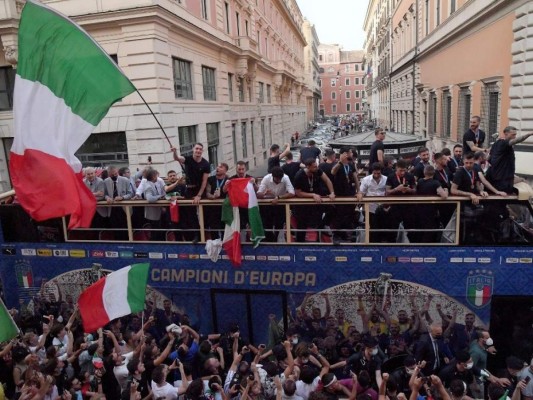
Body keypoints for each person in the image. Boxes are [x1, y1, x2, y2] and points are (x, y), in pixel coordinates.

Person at [172, 143, 211, 242]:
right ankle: (194, 235)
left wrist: (199, 195)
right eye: (197, 148)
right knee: (190, 215)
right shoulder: (187, 159)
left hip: (199, 190)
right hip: (188, 190)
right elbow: (177, 158)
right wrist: (175, 152)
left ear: (202, 151)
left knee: (202, 214)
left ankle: (202, 235)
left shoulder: (206, 164)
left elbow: (204, 181)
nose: (198, 150)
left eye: (200, 149)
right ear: (193, 149)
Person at [293, 158, 335, 242]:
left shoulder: (317, 170)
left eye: (316, 166)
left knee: (331, 209)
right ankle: (299, 245)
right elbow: (298, 193)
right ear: (308, 167)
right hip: (303, 206)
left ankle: (319, 239)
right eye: (314, 167)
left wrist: (332, 192)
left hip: (317, 202)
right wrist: (312, 195)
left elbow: (327, 180)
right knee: (302, 226)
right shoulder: (299, 175)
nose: (316, 168)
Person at [488, 126, 533, 193]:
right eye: (513, 135)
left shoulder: (497, 144)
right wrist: (529, 134)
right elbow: (516, 140)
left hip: (500, 178)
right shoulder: (503, 143)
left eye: (515, 135)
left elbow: (489, 158)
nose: (514, 137)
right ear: (506, 134)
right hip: (501, 181)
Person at [257, 167, 295, 242]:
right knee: (267, 224)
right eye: (277, 179)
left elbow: (292, 193)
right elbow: (258, 193)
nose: (279, 181)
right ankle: (269, 241)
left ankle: (279, 240)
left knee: (280, 224)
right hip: (267, 205)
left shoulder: (285, 178)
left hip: (281, 205)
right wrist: (264, 193)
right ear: (273, 176)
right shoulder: (266, 178)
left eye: (280, 179)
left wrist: (278, 197)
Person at [411, 165, 448, 243]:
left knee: (421, 231)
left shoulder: (420, 181)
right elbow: (444, 196)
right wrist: (446, 190)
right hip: (431, 211)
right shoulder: (435, 183)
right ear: (434, 173)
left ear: (424, 172)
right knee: (429, 232)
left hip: (419, 210)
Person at [331, 147, 359, 243]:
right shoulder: (337, 164)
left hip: (350, 194)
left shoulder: (351, 164)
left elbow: (356, 178)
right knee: (339, 216)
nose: (352, 154)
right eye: (350, 152)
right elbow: (333, 172)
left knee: (349, 215)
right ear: (345, 154)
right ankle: (337, 235)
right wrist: (340, 162)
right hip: (340, 195)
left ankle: (348, 235)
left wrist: (358, 191)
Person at [385, 159, 416, 243]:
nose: (402, 173)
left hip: (408, 206)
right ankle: (392, 246)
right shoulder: (391, 176)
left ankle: (411, 246)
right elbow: (387, 192)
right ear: (396, 168)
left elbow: (415, 190)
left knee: (410, 228)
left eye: (404, 170)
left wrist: (409, 190)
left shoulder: (410, 176)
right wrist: (396, 189)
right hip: (395, 206)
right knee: (393, 229)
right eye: (400, 170)